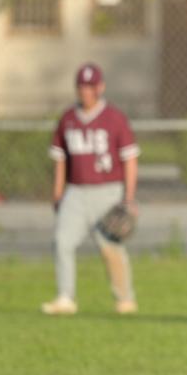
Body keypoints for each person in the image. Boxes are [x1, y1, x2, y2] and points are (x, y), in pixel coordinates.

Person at [41, 62, 140, 316]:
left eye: (90, 87)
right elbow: (60, 158)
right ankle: (66, 298)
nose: (85, 92)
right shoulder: (68, 119)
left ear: (100, 88)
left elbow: (129, 159)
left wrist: (128, 198)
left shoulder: (114, 118)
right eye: (82, 87)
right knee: (62, 242)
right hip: (75, 191)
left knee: (110, 248)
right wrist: (57, 191)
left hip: (108, 191)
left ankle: (125, 299)